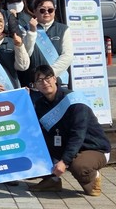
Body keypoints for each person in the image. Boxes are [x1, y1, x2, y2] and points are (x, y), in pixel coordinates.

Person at [29, 64, 109, 196]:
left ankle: (93, 177)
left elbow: (78, 135)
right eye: (39, 80)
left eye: (47, 78)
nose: (45, 83)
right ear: (35, 85)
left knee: (79, 166)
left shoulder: (75, 101)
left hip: (92, 147)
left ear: (55, 79)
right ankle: (52, 181)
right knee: (32, 153)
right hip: (64, 146)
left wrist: (64, 161)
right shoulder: (39, 104)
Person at [26, 0, 73, 86]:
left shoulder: (63, 29)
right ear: (34, 11)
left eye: (50, 10)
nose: (46, 13)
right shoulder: (26, 29)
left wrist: (49, 74)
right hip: (35, 82)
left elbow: (68, 55)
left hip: (57, 80)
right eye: (42, 10)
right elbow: (26, 54)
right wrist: (32, 32)